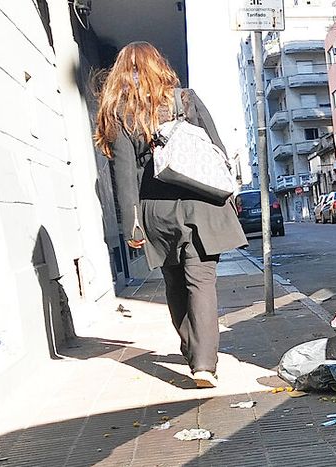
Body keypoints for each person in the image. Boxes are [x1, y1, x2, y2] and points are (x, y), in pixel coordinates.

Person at [94, 42, 247, 388]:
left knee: (175, 282)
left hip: (157, 209)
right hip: (203, 203)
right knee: (202, 282)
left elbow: (123, 177)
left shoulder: (121, 113)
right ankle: (205, 364)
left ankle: (193, 351)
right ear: (160, 66)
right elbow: (217, 149)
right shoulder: (185, 99)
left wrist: (132, 223)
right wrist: (229, 194)